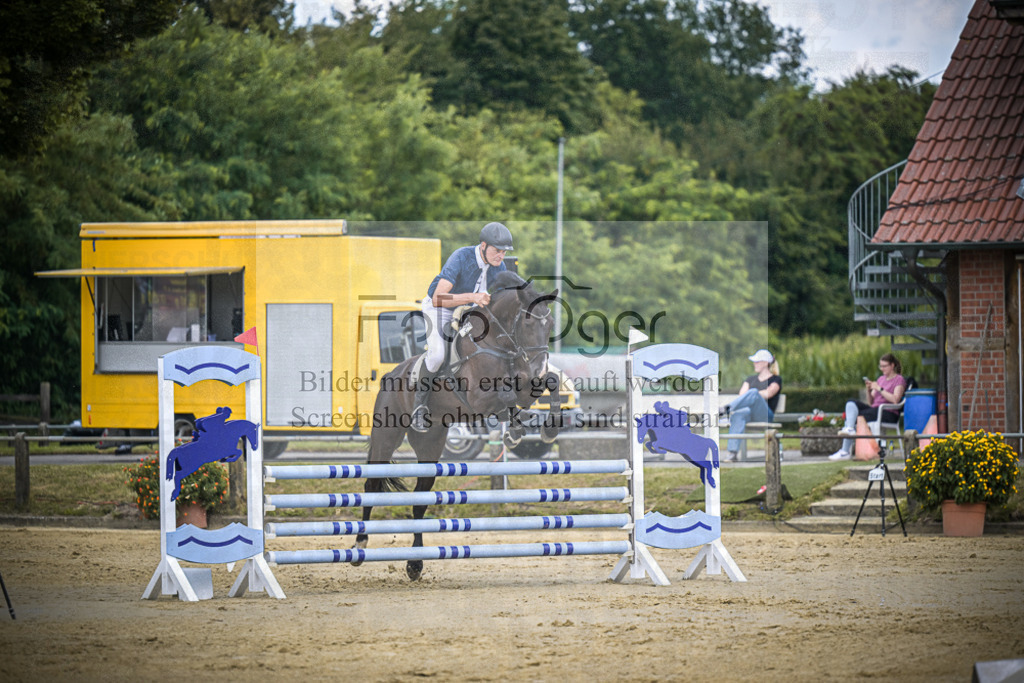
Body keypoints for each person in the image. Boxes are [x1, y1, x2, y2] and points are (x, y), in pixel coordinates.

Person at [410, 222, 514, 432]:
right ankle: (419, 406)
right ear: (483, 245)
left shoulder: (499, 267)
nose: (500, 256)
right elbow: (439, 298)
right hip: (439, 308)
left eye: (504, 252)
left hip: (469, 311)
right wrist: (472, 297)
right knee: (438, 354)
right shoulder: (461, 257)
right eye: (497, 250)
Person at [829, 353, 907, 461]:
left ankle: (845, 451)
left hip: (888, 412)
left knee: (855, 417)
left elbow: (895, 399)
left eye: (884, 366)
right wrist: (869, 389)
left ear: (892, 365)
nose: (882, 369)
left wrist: (879, 389)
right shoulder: (881, 379)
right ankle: (850, 429)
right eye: (881, 366)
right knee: (851, 403)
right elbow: (871, 402)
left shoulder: (899, 379)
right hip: (875, 410)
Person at [721, 349, 782, 460]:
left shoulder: (776, 379)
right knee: (739, 414)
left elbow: (769, 393)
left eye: (757, 361)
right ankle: (732, 454)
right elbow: (742, 396)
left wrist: (754, 395)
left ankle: (726, 410)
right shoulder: (750, 379)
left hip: (765, 416)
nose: (754, 363)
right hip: (749, 414)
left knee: (753, 392)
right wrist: (752, 396)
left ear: (765, 363)